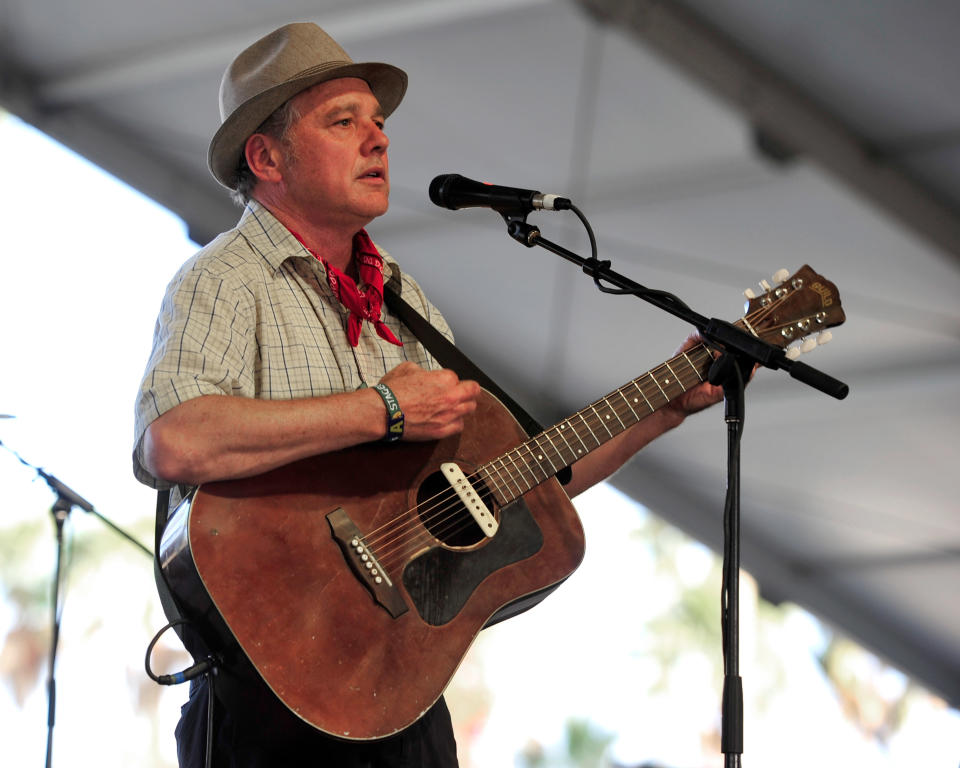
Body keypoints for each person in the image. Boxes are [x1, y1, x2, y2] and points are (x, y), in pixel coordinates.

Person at [133, 22, 723, 768]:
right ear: (266, 155)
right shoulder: (224, 280)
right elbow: (174, 439)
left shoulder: (401, 298)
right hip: (269, 708)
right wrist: (380, 411)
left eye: (378, 124)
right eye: (343, 122)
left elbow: (523, 474)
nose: (377, 140)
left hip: (399, 693)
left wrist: (666, 407)